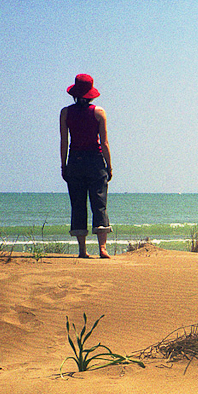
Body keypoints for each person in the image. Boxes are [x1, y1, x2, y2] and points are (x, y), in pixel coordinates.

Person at [60, 73, 113, 258]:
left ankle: (82, 250)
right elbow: (104, 143)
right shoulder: (99, 112)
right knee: (99, 203)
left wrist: (63, 165)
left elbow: (64, 141)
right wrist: (110, 166)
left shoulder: (66, 112)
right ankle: (102, 248)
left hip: (75, 160)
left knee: (78, 204)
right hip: (95, 161)